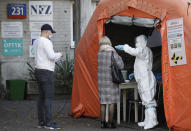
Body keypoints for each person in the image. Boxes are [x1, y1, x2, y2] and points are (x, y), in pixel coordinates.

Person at [115, 35, 158, 130]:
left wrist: (125, 47)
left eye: (139, 42)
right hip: (143, 79)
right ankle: (148, 120)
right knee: (145, 100)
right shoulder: (143, 52)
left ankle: (153, 121)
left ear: (145, 42)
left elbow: (135, 51)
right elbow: (140, 65)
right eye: (136, 42)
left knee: (148, 100)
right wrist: (134, 74)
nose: (137, 44)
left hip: (146, 79)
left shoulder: (144, 50)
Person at [34, 24, 64, 130]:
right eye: (51, 32)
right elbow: (51, 56)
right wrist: (60, 54)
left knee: (41, 97)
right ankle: (49, 122)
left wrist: (57, 57)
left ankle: (41, 122)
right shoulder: (46, 41)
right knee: (48, 97)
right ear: (46, 31)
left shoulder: (36, 41)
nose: (51, 34)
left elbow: (49, 58)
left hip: (38, 70)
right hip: (46, 72)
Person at [97, 36, 124, 128]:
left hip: (101, 81)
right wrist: (117, 53)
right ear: (109, 43)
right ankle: (111, 122)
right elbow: (121, 65)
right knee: (112, 102)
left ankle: (102, 122)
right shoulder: (112, 52)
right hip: (111, 81)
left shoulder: (99, 53)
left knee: (103, 102)